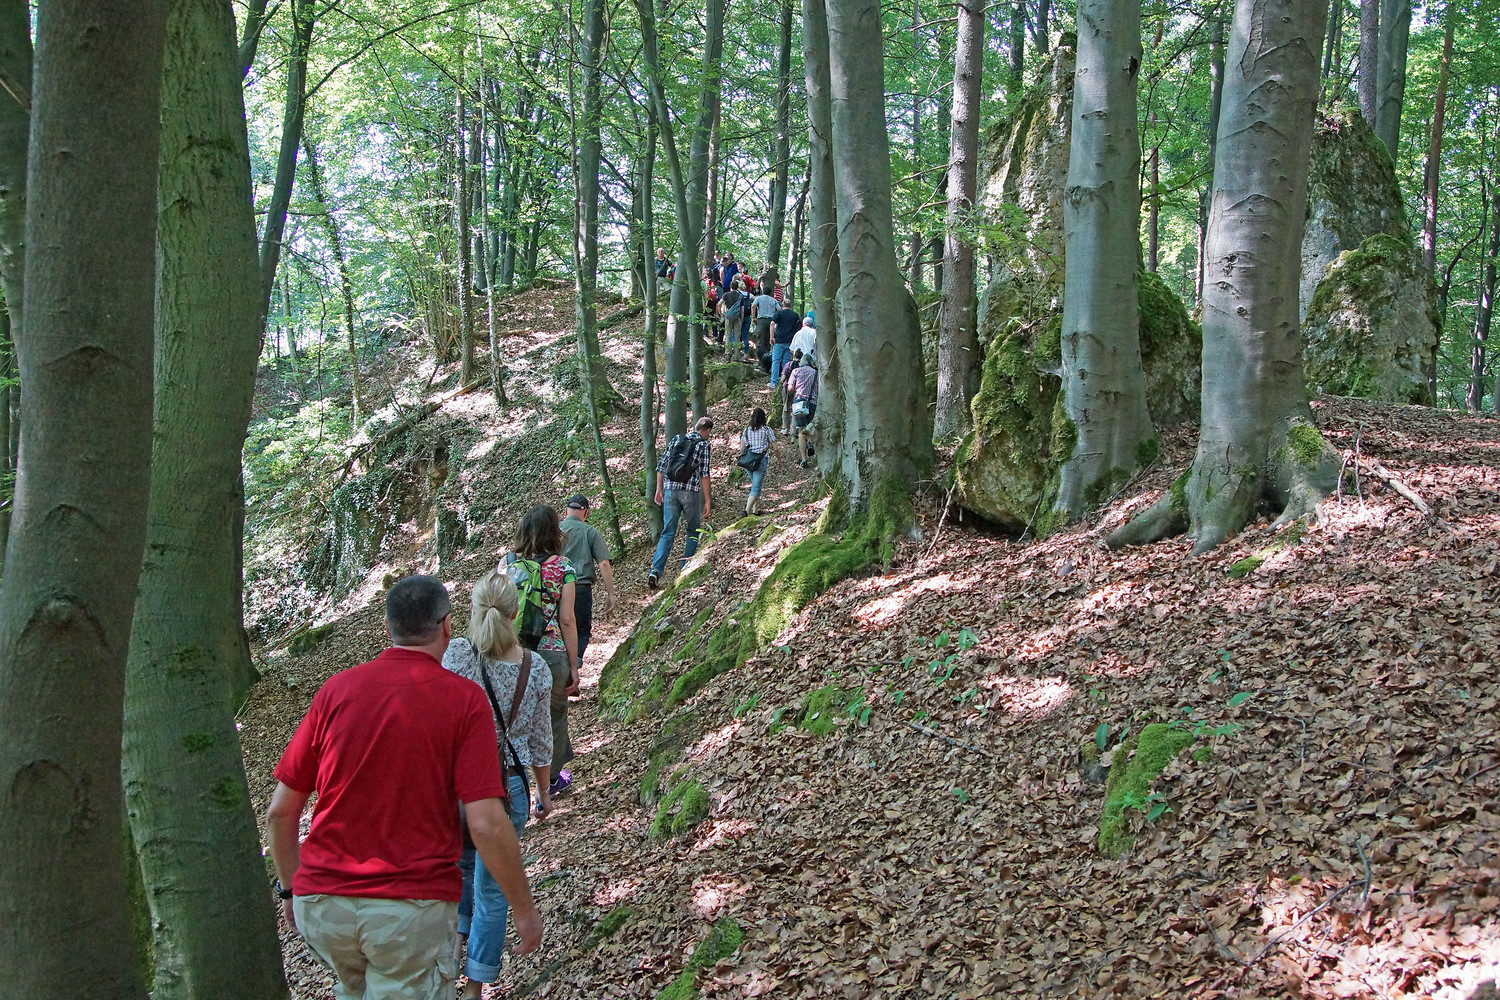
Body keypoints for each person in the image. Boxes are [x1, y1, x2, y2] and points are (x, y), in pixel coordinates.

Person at [266, 576, 543, 1000]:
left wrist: (291, 889)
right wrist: (523, 910)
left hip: (323, 905)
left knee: (354, 987)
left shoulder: (335, 692)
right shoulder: (463, 700)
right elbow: (486, 822)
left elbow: (281, 812)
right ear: (448, 627)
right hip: (406, 909)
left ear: (386, 626)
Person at [442, 573, 554, 999]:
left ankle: (451, 956)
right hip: (507, 791)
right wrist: (544, 793)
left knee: (460, 875)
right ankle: (474, 987)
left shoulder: (454, 656)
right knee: (493, 892)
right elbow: (542, 741)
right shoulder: (534, 666)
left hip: (456, 790)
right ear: (515, 613)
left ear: (471, 609)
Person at [507, 505, 579, 797]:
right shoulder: (563, 568)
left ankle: (515, 780)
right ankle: (549, 781)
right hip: (550, 652)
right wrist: (574, 665)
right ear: (555, 532)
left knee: (512, 717)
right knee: (554, 715)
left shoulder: (507, 567)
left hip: (514, 653)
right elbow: (567, 620)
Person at [649, 415, 714, 590]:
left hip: (670, 491)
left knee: (668, 532)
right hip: (689, 492)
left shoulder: (678, 438)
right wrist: (707, 500)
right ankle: (684, 568)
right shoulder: (703, 445)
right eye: (709, 432)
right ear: (706, 431)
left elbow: (662, 465)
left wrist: (659, 489)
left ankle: (655, 570)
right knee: (693, 530)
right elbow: (704, 474)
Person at [558, 495, 616, 668]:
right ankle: (573, 667)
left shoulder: (554, 531)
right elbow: (604, 563)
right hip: (580, 589)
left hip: (556, 589)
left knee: (558, 630)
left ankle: (561, 671)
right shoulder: (590, 531)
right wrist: (611, 593)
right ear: (586, 512)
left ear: (565, 511)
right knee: (581, 631)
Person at [739, 407, 780, 515]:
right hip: (760, 460)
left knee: (755, 485)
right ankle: (747, 511)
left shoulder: (747, 430)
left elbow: (742, 448)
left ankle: (755, 511)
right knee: (756, 487)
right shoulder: (767, 430)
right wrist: (779, 461)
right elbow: (775, 448)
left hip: (748, 461)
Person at [787, 358, 820, 467]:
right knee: (811, 427)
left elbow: (790, 388)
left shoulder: (796, 371)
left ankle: (804, 460)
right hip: (812, 403)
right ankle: (810, 444)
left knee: (801, 431)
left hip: (799, 403)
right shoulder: (816, 373)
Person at [769, 301, 801, 388]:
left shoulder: (779, 313)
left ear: (782, 305)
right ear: (791, 306)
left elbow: (772, 323)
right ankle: (784, 381)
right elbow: (798, 328)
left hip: (779, 340)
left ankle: (773, 382)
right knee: (786, 362)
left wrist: (772, 336)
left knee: (775, 361)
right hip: (790, 341)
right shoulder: (795, 315)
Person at [751, 285, 779, 369]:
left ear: (763, 291)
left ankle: (761, 362)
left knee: (760, 342)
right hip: (771, 321)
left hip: (762, 320)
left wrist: (753, 317)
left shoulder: (759, 298)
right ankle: (766, 363)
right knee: (769, 342)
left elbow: (753, 306)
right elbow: (780, 309)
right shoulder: (774, 300)